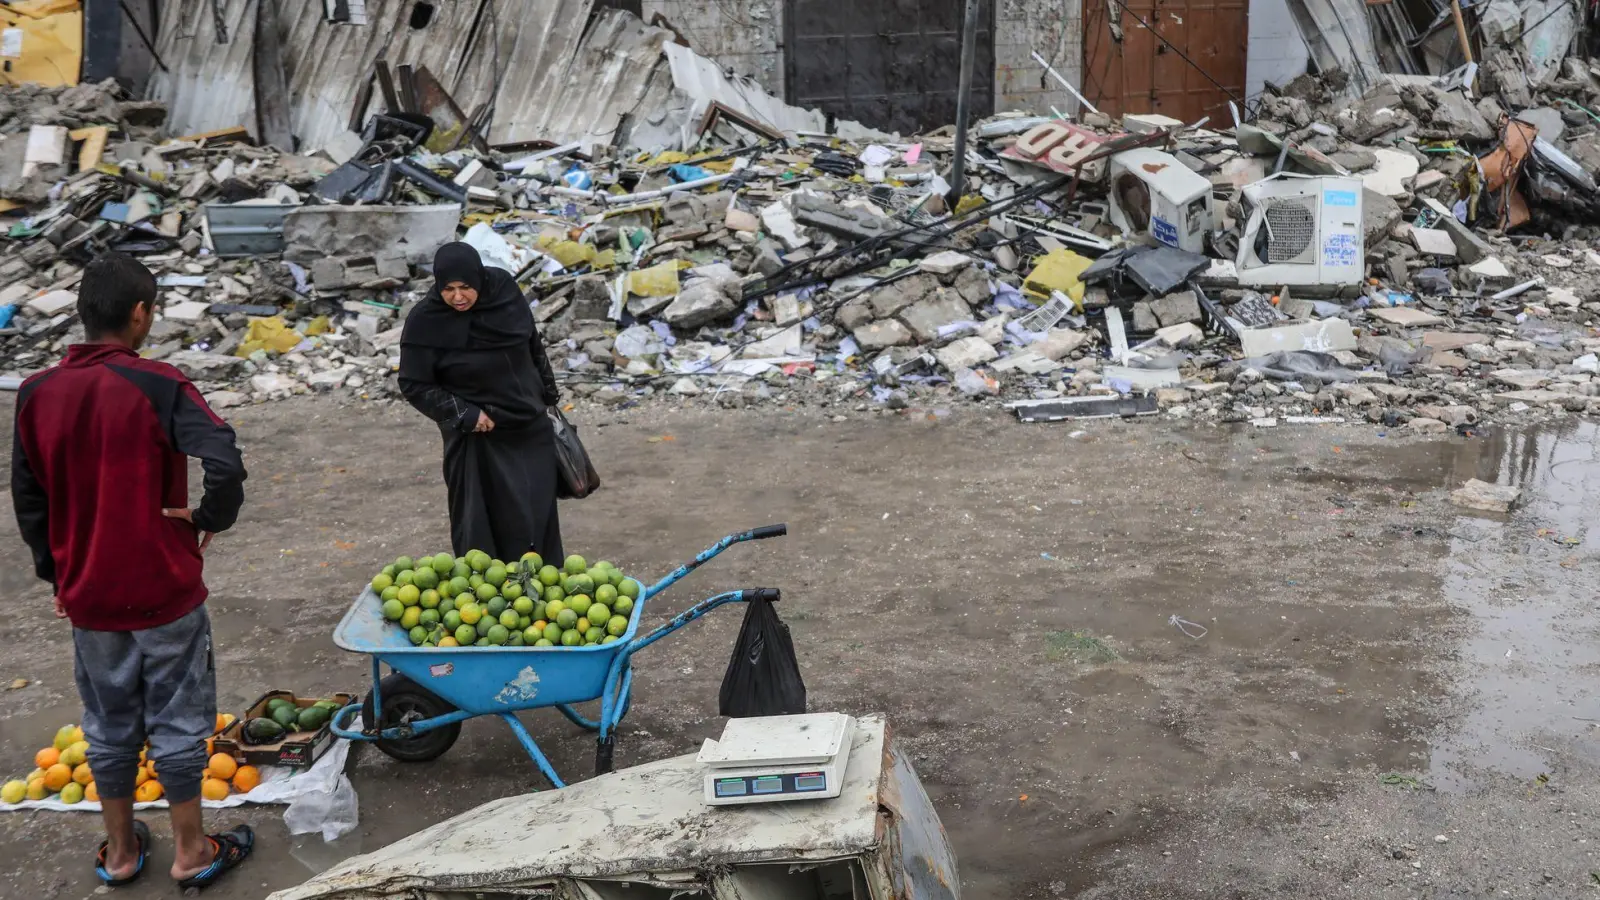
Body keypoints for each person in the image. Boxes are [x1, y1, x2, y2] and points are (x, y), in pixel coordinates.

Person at [11, 252, 253, 890]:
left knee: (108, 723)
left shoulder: (36, 394)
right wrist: (208, 516)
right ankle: (192, 851)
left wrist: (57, 576)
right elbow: (223, 456)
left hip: (89, 592)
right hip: (163, 589)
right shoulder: (158, 384)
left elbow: (28, 498)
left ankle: (119, 853)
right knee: (178, 719)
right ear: (140, 313)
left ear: (83, 313)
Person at [399, 242, 565, 563]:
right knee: (481, 522)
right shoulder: (425, 320)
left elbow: (532, 344)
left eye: (465, 287)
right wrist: (465, 413)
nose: (458, 297)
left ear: (479, 279)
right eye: (448, 288)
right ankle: (484, 598)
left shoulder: (503, 291)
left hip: (529, 428)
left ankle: (542, 598)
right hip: (477, 439)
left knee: (535, 517)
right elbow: (414, 383)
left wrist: (548, 395)